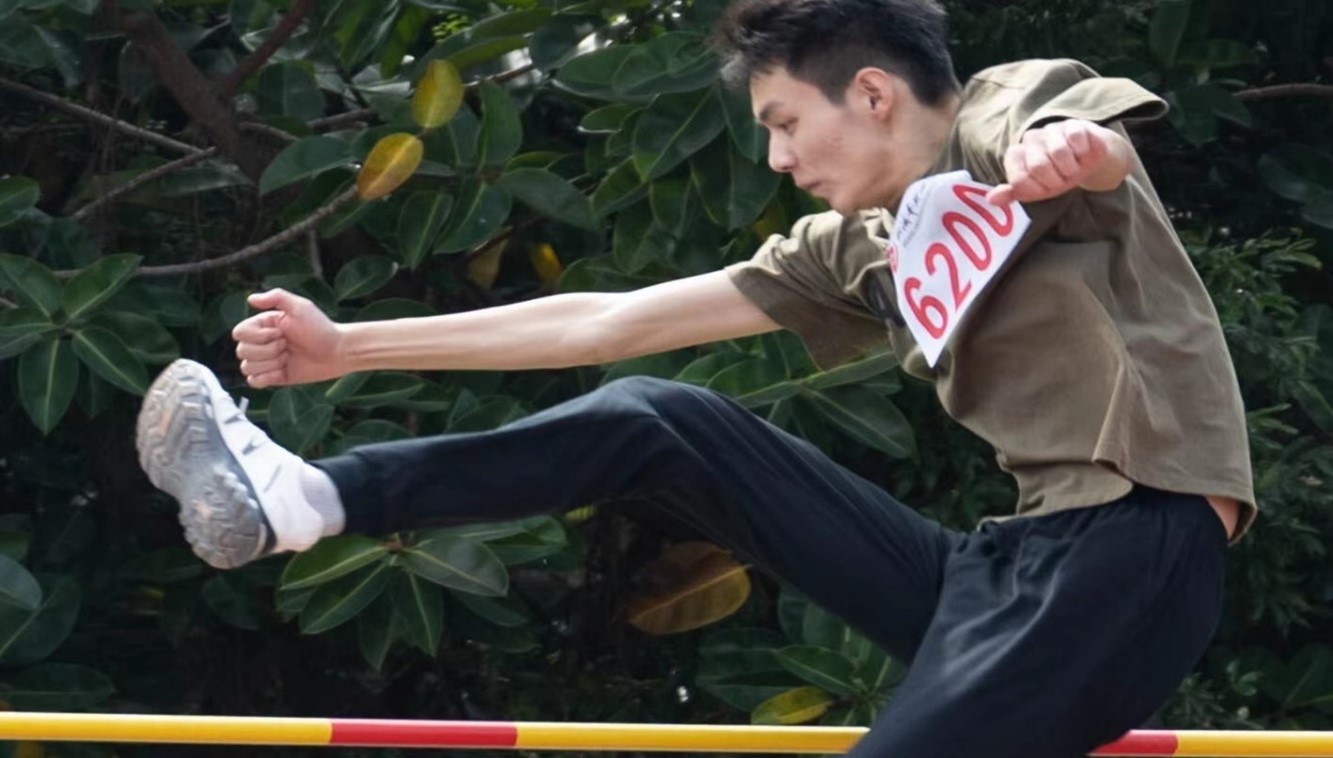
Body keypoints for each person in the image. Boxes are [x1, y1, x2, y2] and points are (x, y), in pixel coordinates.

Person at [135, 0, 1256, 754]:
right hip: (998, 573)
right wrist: (351, 346)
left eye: (784, 122)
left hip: (1133, 549)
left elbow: (1084, 133)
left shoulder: (1000, 115)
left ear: (872, 94)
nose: (777, 158)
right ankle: (312, 497)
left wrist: (1067, 153)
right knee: (657, 417)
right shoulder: (854, 250)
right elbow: (607, 320)